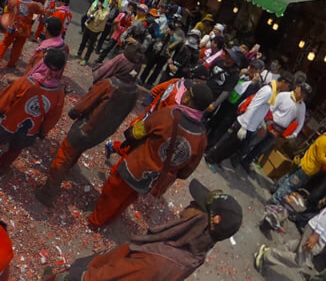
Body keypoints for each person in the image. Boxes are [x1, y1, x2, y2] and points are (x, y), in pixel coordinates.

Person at [46, 179, 242, 281]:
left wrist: (71, 277)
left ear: (200, 223)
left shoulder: (158, 260)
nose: (186, 205)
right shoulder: (192, 251)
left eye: (194, 205)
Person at [88, 82, 213, 229]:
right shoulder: (202, 137)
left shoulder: (169, 114)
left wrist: (130, 139)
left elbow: (136, 132)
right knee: (128, 199)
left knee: (112, 193)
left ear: (186, 99)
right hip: (154, 180)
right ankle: (108, 221)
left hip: (136, 166)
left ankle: (95, 222)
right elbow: (186, 172)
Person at [0, 49, 67, 181]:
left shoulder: (26, 82)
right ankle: (1, 168)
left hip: (8, 124)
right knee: (14, 150)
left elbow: (6, 97)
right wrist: (43, 131)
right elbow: (54, 116)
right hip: (29, 130)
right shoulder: (59, 92)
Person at [36, 67, 139, 207]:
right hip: (102, 132)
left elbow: (85, 103)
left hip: (85, 129)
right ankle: (67, 170)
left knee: (64, 156)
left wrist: (74, 112)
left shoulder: (109, 85)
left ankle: (47, 194)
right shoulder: (134, 91)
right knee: (75, 152)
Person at [256, 176, 326, 278]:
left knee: (296, 247)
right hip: (320, 232)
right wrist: (316, 234)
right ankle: (266, 256)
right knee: (299, 261)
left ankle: (267, 253)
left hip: (325, 234)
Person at [240, 78, 310, 170]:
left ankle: (246, 161)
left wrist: (294, 134)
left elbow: (300, 122)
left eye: (305, 94)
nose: (302, 94)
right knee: (253, 141)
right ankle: (238, 156)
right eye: (302, 91)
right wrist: (265, 122)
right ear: (297, 88)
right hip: (269, 124)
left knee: (261, 148)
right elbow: (271, 108)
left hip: (279, 131)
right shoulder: (283, 96)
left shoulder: (302, 106)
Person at [271, 123, 326, 204]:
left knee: (288, 177)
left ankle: (275, 189)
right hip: (308, 168)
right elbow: (320, 158)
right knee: (291, 184)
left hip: (305, 163)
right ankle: (275, 199)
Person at [0, 0, 43, 71]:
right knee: (17, 48)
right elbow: (41, 11)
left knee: (4, 44)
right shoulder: (33, 5)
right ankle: (11, 63)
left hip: (12, 27)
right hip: (24, 30)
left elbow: (8, 9)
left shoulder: (14, 0)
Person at [78, 0, 109, 65]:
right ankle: (79, 52)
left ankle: (86, 59)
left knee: (91, 45)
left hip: (96, 29)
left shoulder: (106, 10)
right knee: (84, 40)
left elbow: (101, 18)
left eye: (102, 0)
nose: (100, 2)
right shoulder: (94, 4)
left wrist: (100, 8)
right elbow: (88, 13)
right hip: (88, 25)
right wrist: (93, 11)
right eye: (100, 0)